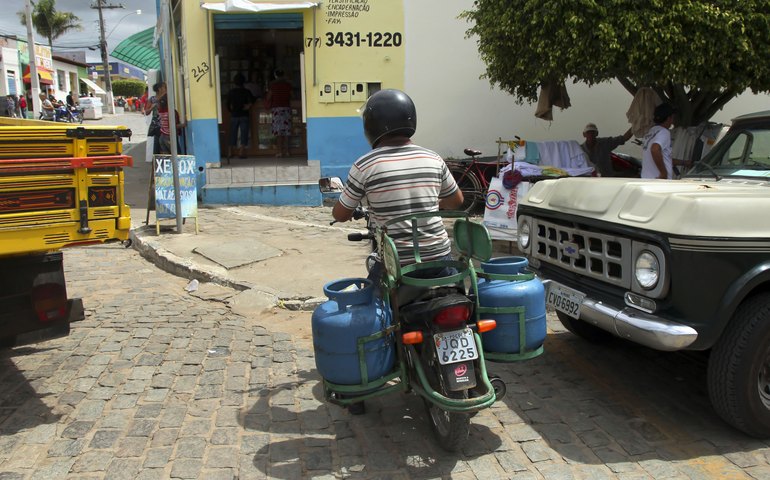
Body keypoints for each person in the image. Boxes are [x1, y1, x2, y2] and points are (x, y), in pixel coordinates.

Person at [331, 89, 463, 415]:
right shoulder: (434, 159)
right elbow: (456, 202)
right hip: (443, 263)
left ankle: (363, 388)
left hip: (397, 267)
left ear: (371, 127)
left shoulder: (365, 165)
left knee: (370, 314)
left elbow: (341, 214)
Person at [641, 103, 677, 179]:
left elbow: (664, 158)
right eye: (672, 118)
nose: (673, 121)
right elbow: (654, 149)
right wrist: (663, 173)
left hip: (646, 179)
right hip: (658, 182)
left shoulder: (650, 132)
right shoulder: (664, 132)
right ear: (668, 118)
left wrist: (685, 162)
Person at [226, 73, 254, 160]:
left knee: (232, 133)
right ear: (244, 82)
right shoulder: (246, 91)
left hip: (234, 115)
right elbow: (253, 100)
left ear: (234, 82)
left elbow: (227, 104)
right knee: (244, 133)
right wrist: (248, 105)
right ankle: (241, 151)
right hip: (244, 115)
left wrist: (231, 110)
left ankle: (230, 152)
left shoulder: (231, 92)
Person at [265, 69, 292, 157]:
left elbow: (269, 97)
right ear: (283, 75)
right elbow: (292, 95)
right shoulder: (288, 85)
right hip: (286, 109)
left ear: (275, 75)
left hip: (277, 110)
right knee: (287, 131)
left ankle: (279, 151)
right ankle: (287, 151)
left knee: (279, 132)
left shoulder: (273, 85)